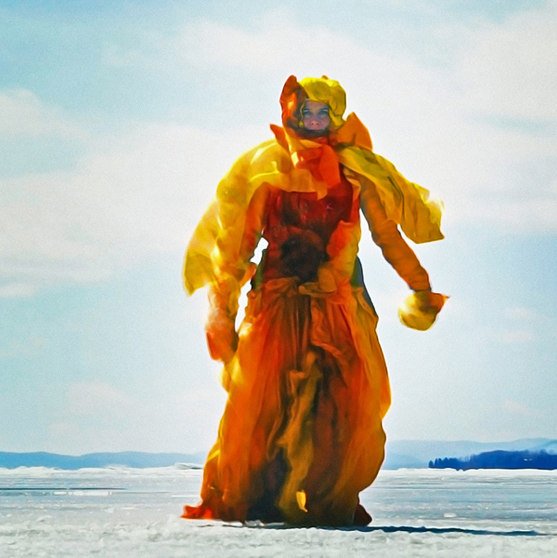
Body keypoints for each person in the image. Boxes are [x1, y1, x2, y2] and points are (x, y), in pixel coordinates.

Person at [182, 75, 446, 526]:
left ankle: (326, 497)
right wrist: (220, 306)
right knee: (262, 404)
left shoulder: (355, 171)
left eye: (324, 112)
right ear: (291, 113)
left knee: (342, 404)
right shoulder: (266, 169)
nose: (315, 121)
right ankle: (259, 497)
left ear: (336, 116)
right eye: (307, 112)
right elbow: (238, 244)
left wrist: (419, 285)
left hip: (339, 303)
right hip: (278, 303)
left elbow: (387, 236)